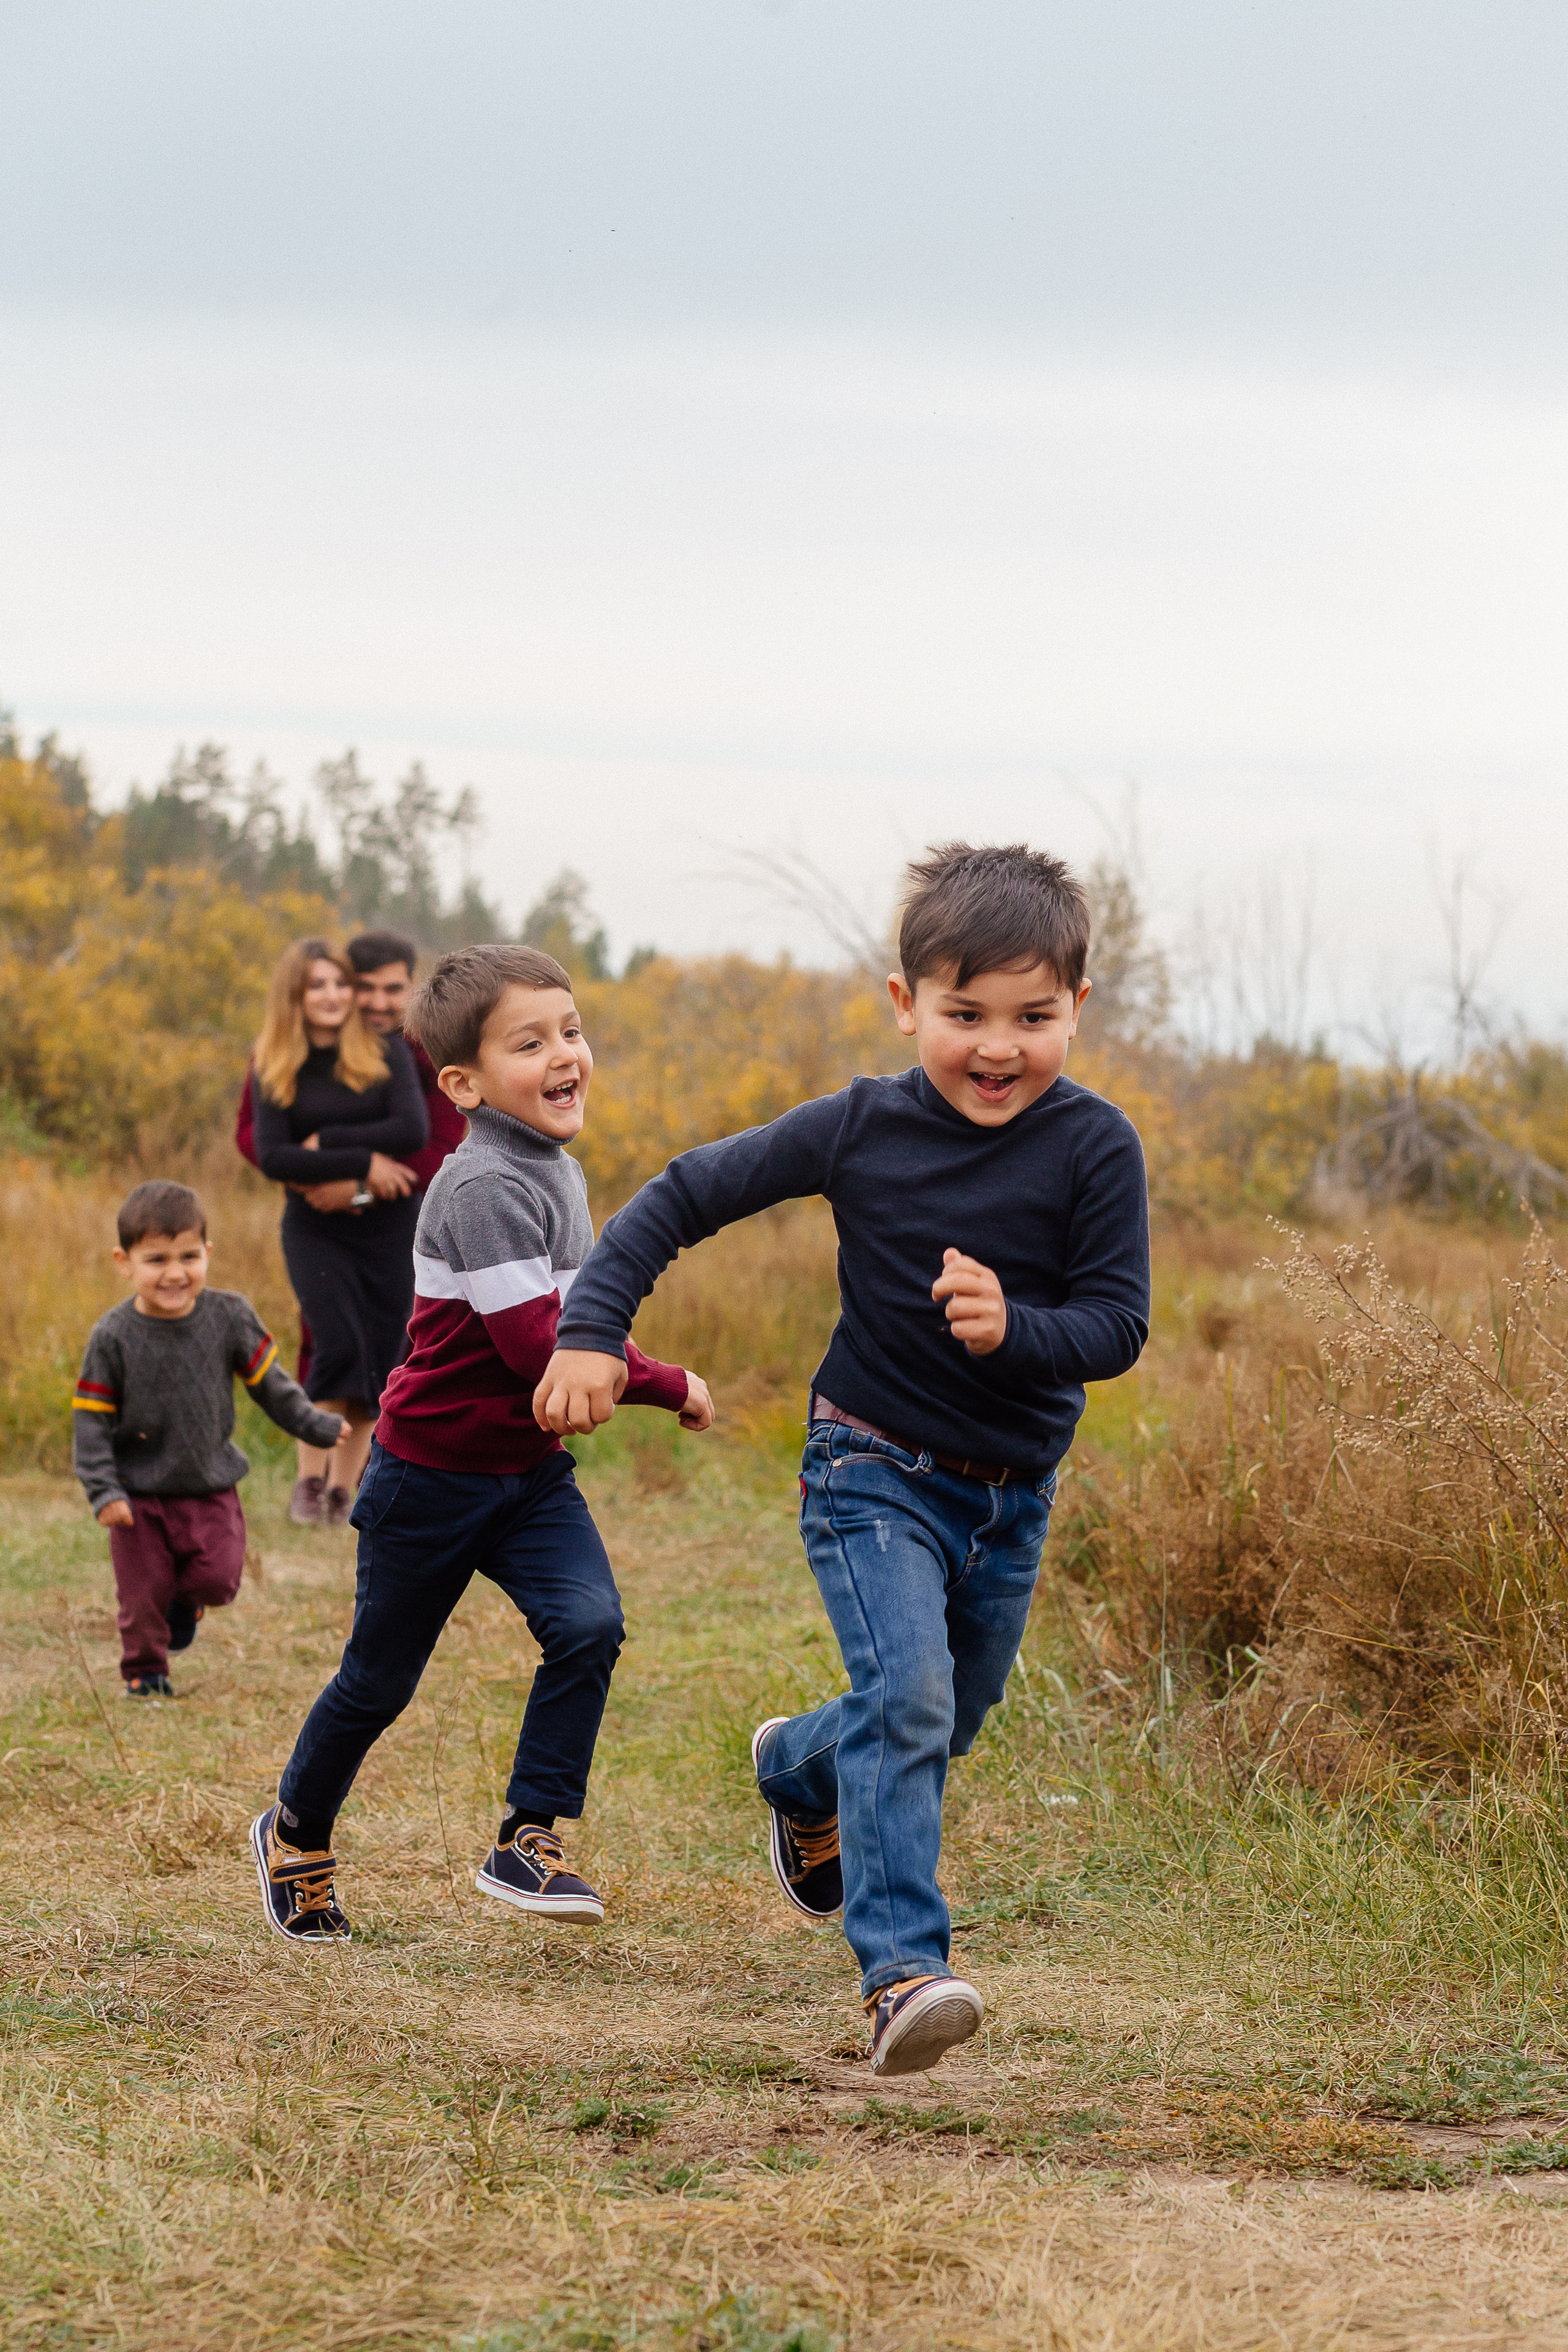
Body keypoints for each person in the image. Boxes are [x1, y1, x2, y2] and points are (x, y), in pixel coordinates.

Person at [535, 843, 1150, 2078]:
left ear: (1076, 1009)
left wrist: (1016, 1331)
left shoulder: (1095, 1148)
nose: (995, 1046)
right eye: (962, 1013)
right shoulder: (861, 1128)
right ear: (902, 1003)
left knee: (948, 1716)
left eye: (1031, 1018)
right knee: (911, 1705)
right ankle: (901, 1972)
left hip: (1008, 1494)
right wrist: (593, 1332)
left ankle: (793, 1767)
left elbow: (1117, 1326)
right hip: (869, 1465)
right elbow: (678, 1196)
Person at [248, 943, 714, 1945]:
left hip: (529, 1477)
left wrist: (622, 1368)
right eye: (530, 1042)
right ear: (462, 1084)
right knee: (379, 1681)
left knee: (588, 1625)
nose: (566, 1055)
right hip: (431, 1477)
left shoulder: (557, 1171)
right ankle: (294, 1833)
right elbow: (536, 1347)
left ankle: (529, 1834)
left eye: (572, 1032)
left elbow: (580, 1328)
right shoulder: (481, 1186)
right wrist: (670, 1384)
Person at [73, 1180, 345, 1697]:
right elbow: (90, 1421)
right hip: (139, 1495)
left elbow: (273, 1385)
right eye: (156, 1260)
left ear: (208, 1253)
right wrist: (104, 1490)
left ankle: (186, 1604)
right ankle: (146, 1673)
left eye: (189, 1256)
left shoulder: (229, 1316)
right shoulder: (112, 1337)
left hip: (210, 1484)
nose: (175, 1272)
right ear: (123, 1261)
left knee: (219, 1580)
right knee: (141, 1592)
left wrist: (316, 1424)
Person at [233, 930, 468, 1390]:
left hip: (397, 1218)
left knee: (396, 1339)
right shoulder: (290, 1049)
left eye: (393, 990)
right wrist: (309, 1176)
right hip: (317, 1212)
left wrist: (355, 1182)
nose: (379, 1003)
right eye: (366, 988)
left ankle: (383, 1457)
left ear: (413, 989)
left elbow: (437, 1147)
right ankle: (316, 1453)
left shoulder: (428, 1051)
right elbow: (250, 1133)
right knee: (326, 1338)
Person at [251, 938, 429, 1528]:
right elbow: (274, 1156)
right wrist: (363, 1163)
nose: (331, 996)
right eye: (316, 986)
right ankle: (308, 1481)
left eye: (338, 984)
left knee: (380, 1356)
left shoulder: (385, 1052)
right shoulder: (274, 1061)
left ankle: (342, 1492)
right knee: (336, 1344)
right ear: (295, 997)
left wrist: (327, 1147)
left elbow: (410, 1130)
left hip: (389, 1229)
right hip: (314, 1229)